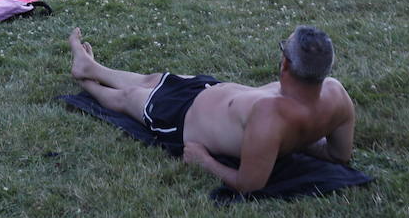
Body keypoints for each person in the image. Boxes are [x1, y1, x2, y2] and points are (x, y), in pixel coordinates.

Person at [67, 25, 355, 194]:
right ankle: (91, 67)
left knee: (128, 97)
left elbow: (250, 183)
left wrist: (204, 160)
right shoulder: (336, 93)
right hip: (209, 90)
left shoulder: (271, 117)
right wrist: (298, 142)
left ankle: (88, 83)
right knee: (153, 80)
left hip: (180, 118)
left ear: (285, 65)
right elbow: (339, 154)